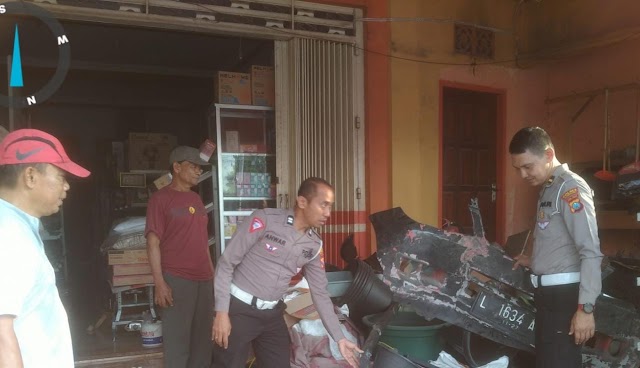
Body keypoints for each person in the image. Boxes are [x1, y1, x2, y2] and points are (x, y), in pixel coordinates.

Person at [212, 177, 363, 368]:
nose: (328, 213)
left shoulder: (314, 245)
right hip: (238, 310)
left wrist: (340, 338)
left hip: (272, 315)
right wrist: (221, 313)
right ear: (302, 202)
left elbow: (321, 294)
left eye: (330, 206)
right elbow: (226, 264)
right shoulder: (265, 220)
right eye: (323, 205)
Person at [509, 126, 603, 368]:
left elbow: (590, 251)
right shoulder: (550, 187)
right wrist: (535, 261)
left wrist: (585, 309)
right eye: (517, 169)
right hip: (547, 298)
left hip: (566, 300)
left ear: (549, 155)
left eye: (527, 166)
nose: (522, 175)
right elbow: (559, 240)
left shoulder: (570, 188)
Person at [0, 128, 90, 367]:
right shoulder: (8, 233)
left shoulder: (17, 225)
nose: (66, 187)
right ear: (30, 176)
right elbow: (1, 335)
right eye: (60, 176)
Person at [145, 146, 215, 368]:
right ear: (176, 167)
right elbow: (152, 242)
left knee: (203, 344)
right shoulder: (160, 199)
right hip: (177, 279)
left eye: (199, 167)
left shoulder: (196, 199)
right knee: (178, 344)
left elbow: (203, 242)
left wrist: (213, 278)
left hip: (203, 280)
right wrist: (159, 283)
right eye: (192, 166)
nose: (197, 171)